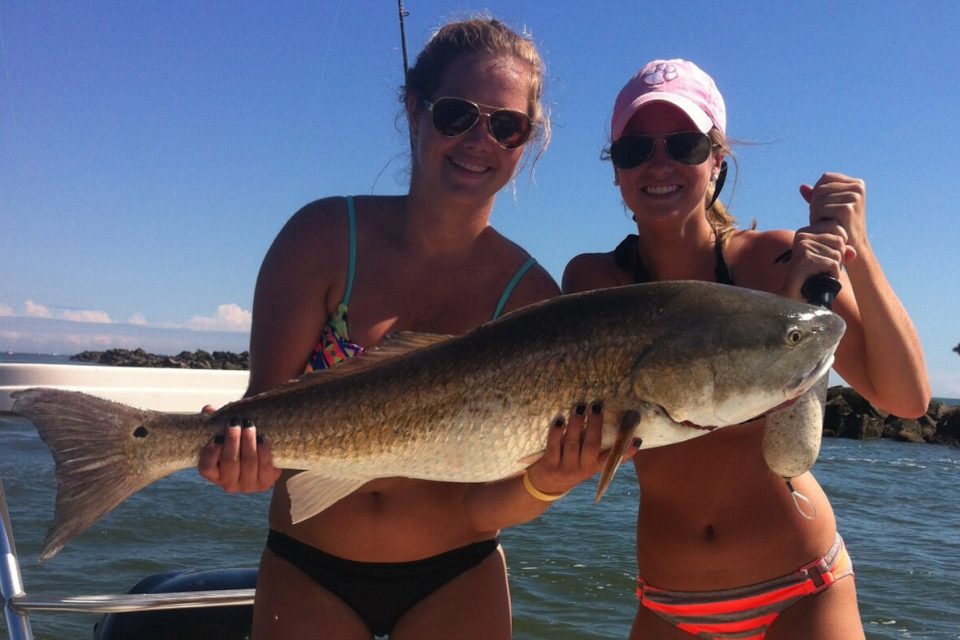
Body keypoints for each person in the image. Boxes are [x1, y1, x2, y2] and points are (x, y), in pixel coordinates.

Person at [197, 18, 620, 640]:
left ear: (525, 142)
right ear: (415, 109)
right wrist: (243, 462)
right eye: (457, 114)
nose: (480, 140)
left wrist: (548, 481)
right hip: (307, 567)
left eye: (506, 126)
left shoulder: (530, 299)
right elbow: (266, 409)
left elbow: (485, 506)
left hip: (458, 574)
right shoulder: (320, 239)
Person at [563, 59, 930, 639]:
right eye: (635, 150)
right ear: (616, 171)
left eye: (683, 144)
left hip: (801, 589)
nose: (659, 164)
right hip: (666, 602)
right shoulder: (594, 285)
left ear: (717, 161)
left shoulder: (778, 259)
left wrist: (859, 249)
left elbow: (907, 399)